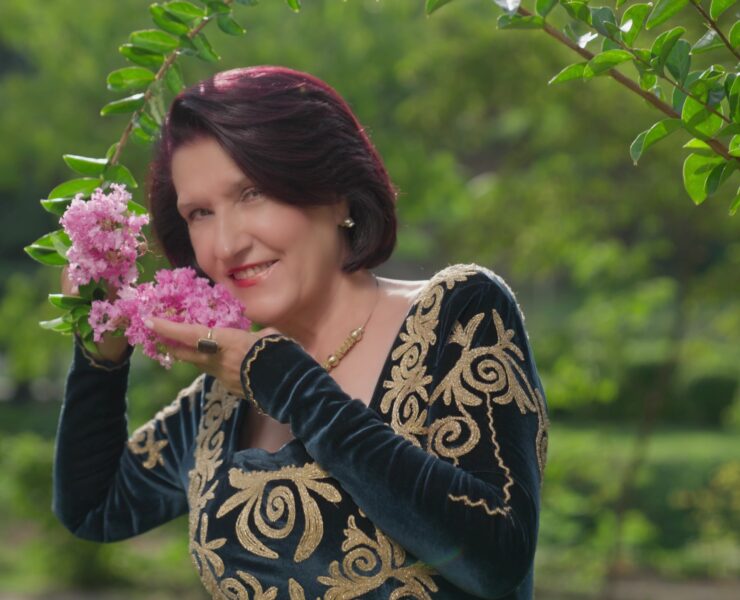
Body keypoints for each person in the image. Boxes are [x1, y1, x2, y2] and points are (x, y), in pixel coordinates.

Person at [54, 66, 549, 600]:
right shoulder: (223, 400)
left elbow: (498, 559)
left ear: (334, 192)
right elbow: (93, 507)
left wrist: (286, 382)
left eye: (252, 193)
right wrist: (100, 355)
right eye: (200, 213)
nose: (226, 244)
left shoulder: (459, 314)